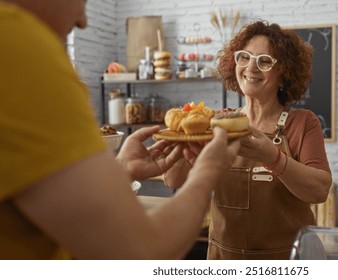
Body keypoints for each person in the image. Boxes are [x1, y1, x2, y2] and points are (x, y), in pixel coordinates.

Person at [0, 0, 240, 260]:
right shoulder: (16, 42)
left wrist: (121, 171)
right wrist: (208, 172)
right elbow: (140, 251)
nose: (83, 20)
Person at [163, 20, 332, 260]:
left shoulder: (303, 123)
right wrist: (193, 144)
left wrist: (272, 157)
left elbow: (320, 190)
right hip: (224, 258)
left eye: (264, 61)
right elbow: (171, 180)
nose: (251, 67)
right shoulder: (217, 122)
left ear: (284, 74)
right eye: (244, 57)